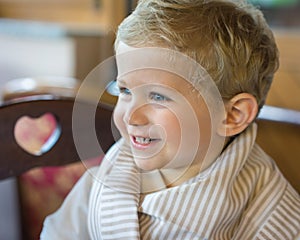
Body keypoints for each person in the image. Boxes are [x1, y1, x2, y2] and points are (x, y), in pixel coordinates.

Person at [41, 0, 300, 239]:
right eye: (125, 90)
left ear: (232, 115)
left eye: (158, 97)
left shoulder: (273, 218)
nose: (131, 116)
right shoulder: (106, 177)